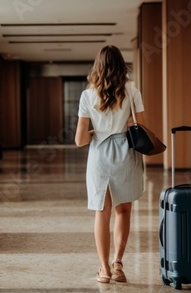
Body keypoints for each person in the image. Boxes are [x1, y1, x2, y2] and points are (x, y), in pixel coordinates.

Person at [75, 45, 146, 284]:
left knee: (101, 213)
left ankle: (103, 270)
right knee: (123, 211)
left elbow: (80, 140)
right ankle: (118, 265)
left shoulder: (87, 95)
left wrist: (97, 130)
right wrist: (122, 123)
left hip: (100, 157)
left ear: (98, 67)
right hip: (126, 152)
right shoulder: (132, 91)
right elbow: (141, 129)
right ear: (121, 65)